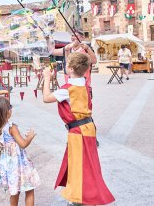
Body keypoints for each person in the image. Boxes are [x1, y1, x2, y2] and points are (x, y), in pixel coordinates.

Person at [42, 52, 115, 205]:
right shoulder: (84, 84)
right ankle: (83, 196)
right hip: (88, 127)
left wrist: (47, 77)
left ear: (70, 68)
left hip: (78, 132)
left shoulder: (67, 89)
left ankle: (81, 199)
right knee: (88, 163)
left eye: (67, 64)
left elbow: (46, 98)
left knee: (78, 165)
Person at [0, 97, 40, 206]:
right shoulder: (11, 127)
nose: (11, 109)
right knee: (29, 189)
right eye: (10, 107)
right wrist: (30, 137)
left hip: (7, 167)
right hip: (19, 165)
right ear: (6, 112)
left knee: (14, 192)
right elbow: (23, 144)